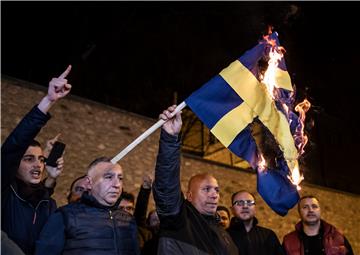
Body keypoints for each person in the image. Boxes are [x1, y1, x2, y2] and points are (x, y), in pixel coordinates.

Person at [1, 65, 72, 255]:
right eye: (29, 159)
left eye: (41, 159)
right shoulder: (5, 193)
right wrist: (48, 101)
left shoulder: (47, 203)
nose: (38, 165)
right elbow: (14, 145)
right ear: (14, 164)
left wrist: (51, 178)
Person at [153, 105, 238, 254]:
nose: (214, 195)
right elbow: (166, 186)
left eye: (216, 190)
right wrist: (170, 138)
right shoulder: (179, 221)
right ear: (189, 196)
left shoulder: (223, 233)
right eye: (206, 189)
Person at [35, 156, 140, 255]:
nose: (117, 184)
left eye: (120, 178)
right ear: (89, 183)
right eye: (108, 177)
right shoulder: (66, 216)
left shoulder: (128, 220)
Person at [282, 195, 354, 255]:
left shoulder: (338, 237)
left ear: (320, 210)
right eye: (305, 207)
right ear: (299, 212)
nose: (311, 210)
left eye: (314, 206)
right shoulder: (288, 241)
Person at [227, 190, 285, 255]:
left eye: (249, 203)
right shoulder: (224, 236)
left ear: (255, 209)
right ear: (232, 209)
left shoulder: (269, 235)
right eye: (240, 203)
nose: (245, 206)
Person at [119, 175, 153, 250]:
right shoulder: (107, 231)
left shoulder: (143, 234)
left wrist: (146, 189)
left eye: (129, 208)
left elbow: (140, 212)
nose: (125, 211)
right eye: (121, 208)